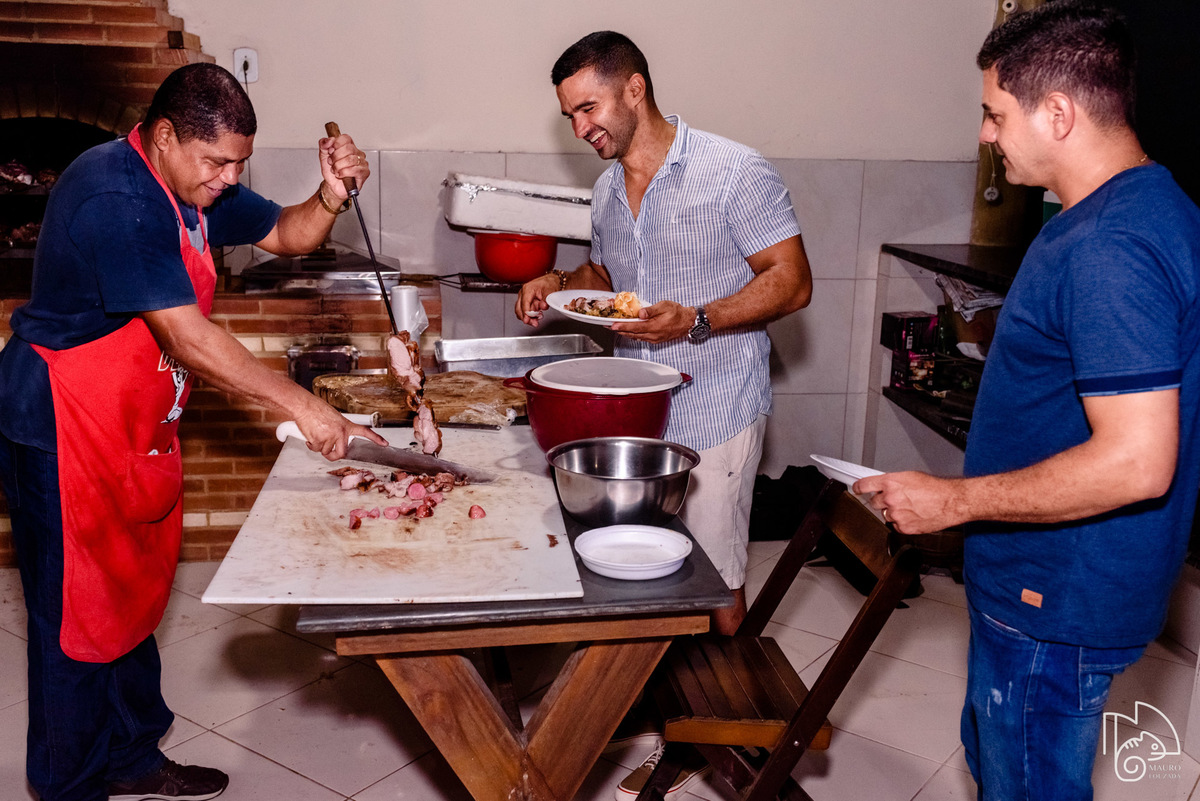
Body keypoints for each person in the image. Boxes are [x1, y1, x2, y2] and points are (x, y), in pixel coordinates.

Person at [0, 63, 387, 801]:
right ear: (166, 136)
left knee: (132, 595)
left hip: (131, 422)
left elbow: (285, 232)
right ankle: (71, 785)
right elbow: (188, 337)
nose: (229, 178)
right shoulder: (116, 193)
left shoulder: (197, 184)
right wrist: (301, 406)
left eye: (240, 161)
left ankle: (132, 755)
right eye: (217, 163)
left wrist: (332, 195)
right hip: (58, 421)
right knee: (75, 622)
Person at [856, 3, 1200, 799]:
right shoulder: (1135, 208)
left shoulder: (1113, 245)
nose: (984, 133)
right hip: (1043, 582)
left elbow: (1137, 461)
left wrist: (953, 501)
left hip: (1057, 598)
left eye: (993, 112)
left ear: (1058, 112)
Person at [516, 31, 813, 639]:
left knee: (715, 577)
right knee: (640, 567)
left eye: (588, 108)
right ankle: (654, 697)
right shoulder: (605, 191)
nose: (579, 129)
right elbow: (604, 276)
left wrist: (697, 319)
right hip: (636, 414)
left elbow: (793, 281)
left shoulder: (734, 171)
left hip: (717, 409)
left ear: (634, 89)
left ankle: (735, 719)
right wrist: (554, 280)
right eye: (569, 115)